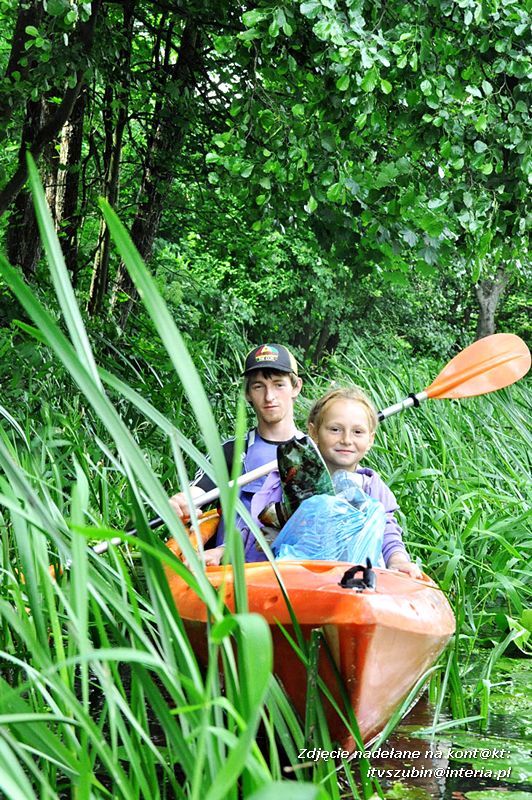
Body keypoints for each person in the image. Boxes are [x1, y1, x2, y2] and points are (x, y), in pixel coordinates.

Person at [169, 343, 303, 564]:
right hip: (230, 573)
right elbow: (198, 491)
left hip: (289, 572)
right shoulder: (232, 450)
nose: (270, 396)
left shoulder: (312, 453)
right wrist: (183, 502)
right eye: (259, 386)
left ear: (296, 387)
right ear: (247, 393)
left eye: (279, 385)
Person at [306, 386, 421, 578]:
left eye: (358, 432)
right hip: (306, 578)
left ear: (370, 439)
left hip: (357, 582)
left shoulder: (372, 486)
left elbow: (388, 532)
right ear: (314, 432)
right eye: (335, 429)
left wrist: (398, 560)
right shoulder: (297, 480)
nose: (346, 440)